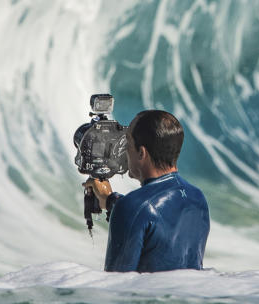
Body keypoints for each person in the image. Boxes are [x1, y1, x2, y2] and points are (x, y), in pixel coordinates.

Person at [87, 109, 209, 273]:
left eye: (128, 144)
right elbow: (157, 217)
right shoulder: (198, 199)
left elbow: (115, 287)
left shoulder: (132, 207)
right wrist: (110, 200)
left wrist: (122, 207)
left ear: (141, 153)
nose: (124, 151)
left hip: (150, 297)